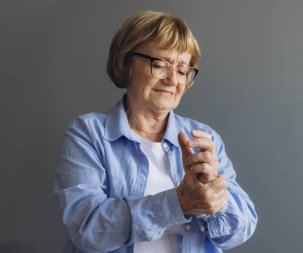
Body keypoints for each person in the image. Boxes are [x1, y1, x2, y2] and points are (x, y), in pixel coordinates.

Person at [54, 10, 257, 253]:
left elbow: (241, 230)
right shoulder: (89, 133)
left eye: (182, 70)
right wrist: (177, 204)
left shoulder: (203, 137)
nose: (172, 80)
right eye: (160, 64)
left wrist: (215, 197)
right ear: (126, 63)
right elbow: (87, 230)